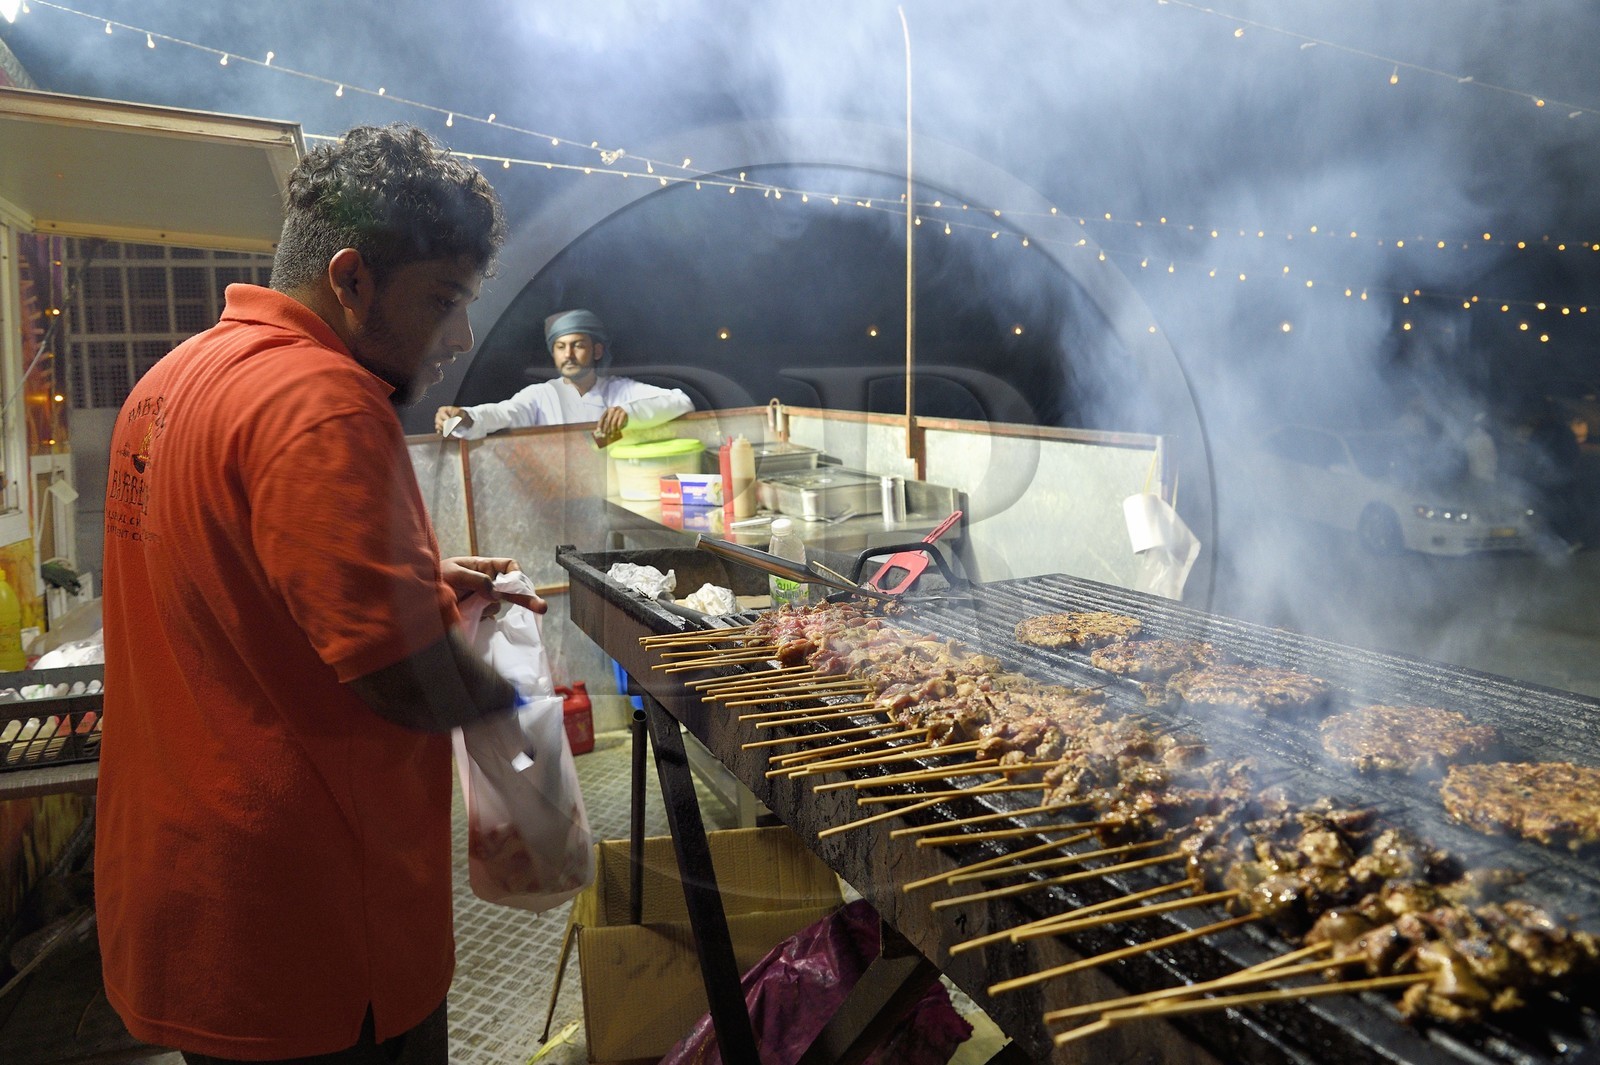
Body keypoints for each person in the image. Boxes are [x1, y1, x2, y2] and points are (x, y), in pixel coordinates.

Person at [97, 124, 538, 1065]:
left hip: (197, 902)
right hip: (319, 936)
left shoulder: (172, 380)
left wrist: (420, 581)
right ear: (351, 279)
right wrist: (523, 708)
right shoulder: (326, 399)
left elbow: (239, 579)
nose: (460, 337)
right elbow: (399, 677)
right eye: (444, 299)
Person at [433, 308, 692, 444]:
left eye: (578, 345)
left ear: (597, 350)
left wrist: (629, 414)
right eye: (560, 346)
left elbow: (681, 401)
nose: (568, 353)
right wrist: (465, 417)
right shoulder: (541, 396)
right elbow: (503, 413)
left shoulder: (619, 391)